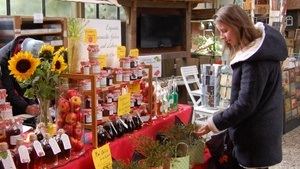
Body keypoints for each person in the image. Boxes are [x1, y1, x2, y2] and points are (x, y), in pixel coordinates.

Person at [195, 4, 288, 169]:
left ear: (238, 25)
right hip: (260, 134)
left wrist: (213, 123)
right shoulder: (260, 52)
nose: (222, 37)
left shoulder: (255, 60)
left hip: (254, 138)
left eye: (225, 30)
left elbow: (245, 104)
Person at [0, 36, 44, 116]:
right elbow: (8, 90)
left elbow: (29, 83)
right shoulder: (3, 59)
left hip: (21, 100)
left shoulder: (32, 47)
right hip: (7, 107)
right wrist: (25, 107)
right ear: (22, 52)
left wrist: (32, 103)